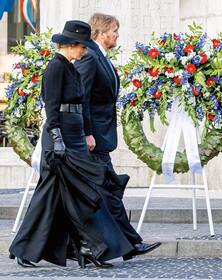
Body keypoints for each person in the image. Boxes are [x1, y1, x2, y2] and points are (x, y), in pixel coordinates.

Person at [9, 20, 135, 268]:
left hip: (74, 136)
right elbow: (52, 107)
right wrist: (57, 140)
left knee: (80, 193)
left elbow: (81, 103)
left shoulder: (71, 67)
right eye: (82, 47)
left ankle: (89, 247)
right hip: (61, 137)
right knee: (52, 194)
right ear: (71, 45)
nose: (85, 51)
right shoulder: (56, 67)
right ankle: (27, 247)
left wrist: (85, 133)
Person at [74, 13, 160, 260]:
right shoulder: (89, 57)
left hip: (101, 134)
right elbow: (83, 98)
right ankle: (130, 244)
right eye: (114, 30)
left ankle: (117, 245)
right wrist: (88, 133)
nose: (117, 35)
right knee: (108, 190)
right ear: (101, 33)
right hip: (95, 138)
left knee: (106, 190)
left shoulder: (100, 56)